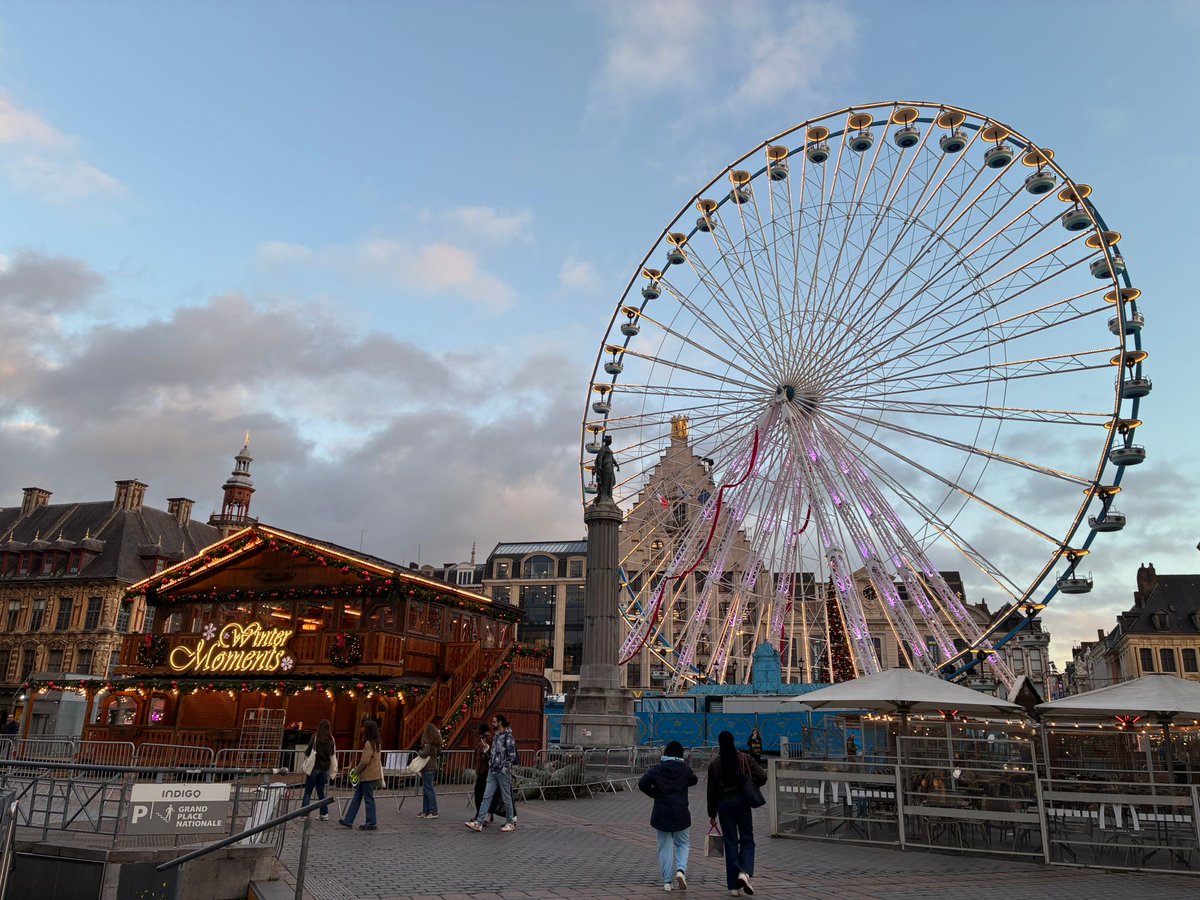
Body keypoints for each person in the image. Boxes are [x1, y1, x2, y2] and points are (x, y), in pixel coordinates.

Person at [707, 730, 766, 897]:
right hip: (742, 802)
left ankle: (734, 886)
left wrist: (712, 814)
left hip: (723, 805)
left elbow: (711, 792)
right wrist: (750, 782)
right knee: (747, 839)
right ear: (733, 741)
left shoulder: (715, 764)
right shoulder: (744, 759)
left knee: (730, 842)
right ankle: (744, 872)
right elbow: (762, 777)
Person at [639, 740, 697, 893]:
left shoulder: (657, 769)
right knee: (683, 844)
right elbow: (694, 780)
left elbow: (642, 783)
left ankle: (667, 882)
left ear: (666, 753)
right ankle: (681, 870)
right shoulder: (684, 769)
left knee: (664, 847)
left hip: (661, 813)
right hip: (681, 814)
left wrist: (655, 794)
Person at [465, 713, 518, 832]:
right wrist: (487, 752)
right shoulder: (496, 736)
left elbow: (512, 756)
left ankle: (510, 822)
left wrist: (504, 768)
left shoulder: (508, 737)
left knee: (506, 797)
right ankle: (479, 822)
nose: (492, 724)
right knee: (486, 797)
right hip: (493, 771)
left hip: (503, 772)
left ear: (500, 722)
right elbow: (494, 754)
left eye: (494, 722)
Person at [339, 719, 382, 831]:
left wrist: (356, 770)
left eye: (364, 728)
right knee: (358, 797)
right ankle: (349, 820)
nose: (363, 730)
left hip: (367, 775)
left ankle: (371, 822)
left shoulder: (369, 743)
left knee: (367, 799)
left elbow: (364, 761)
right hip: (372, 774)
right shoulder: (377, 743)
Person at [301, 719, 336, 820]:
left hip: (314, 767)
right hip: (325, 768)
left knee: (308, 791)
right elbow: (332, 753)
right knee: (321, 791)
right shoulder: (331, 739)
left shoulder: (316, 738)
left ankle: (304, 814)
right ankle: (324, 813)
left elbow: (308, 752)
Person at [473, 721, 505, 824]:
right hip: (482, 770)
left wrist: (484, 754)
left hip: (486, 770)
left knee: (480, 794)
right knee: (483, 794)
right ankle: (486, 815)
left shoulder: (488, 739)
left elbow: (491, 754)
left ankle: (481, 815)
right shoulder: (483, 739)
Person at [416, 720, 444, 819]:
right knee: (427, 789)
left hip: (427, 767)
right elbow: (439, 753)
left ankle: (433, 810)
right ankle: (426, 811)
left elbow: (425, 753)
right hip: (433, 766)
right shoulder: (437, 742)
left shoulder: (428, 741)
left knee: (428, 789)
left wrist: (419, 752)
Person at [594, 434, 619, 503]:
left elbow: (612, 458)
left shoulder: (608, 449)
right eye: (610, 440)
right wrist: (599, 466)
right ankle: (604, 496)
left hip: (610, 466)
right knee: (606, 481)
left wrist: (617, 465)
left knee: (612, 481)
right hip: (606, 466)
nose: (611, 441)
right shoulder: (603, 449)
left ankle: (608, 495)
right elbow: (600, 457)